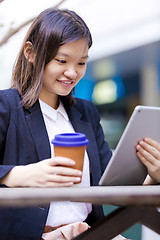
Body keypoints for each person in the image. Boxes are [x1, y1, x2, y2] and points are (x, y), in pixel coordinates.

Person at [0, 7, 159, 240]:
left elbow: (111, 187)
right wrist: (17, 176)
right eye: (62, 60)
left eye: (82, 63)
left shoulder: (85, 112)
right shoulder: (5, 107)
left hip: (91, 233)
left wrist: (153, 176)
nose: (72, 73)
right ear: (31, 53)